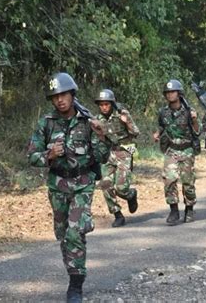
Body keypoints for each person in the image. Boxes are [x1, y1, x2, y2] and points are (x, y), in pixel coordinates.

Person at [27, 72, 110, 302]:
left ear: (72, 94)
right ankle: (73, 271)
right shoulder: (46, 123)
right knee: (64, 234)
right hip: (57, 186)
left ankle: (76, 284)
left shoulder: (88, 121)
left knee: (75, 231)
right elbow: (31, 156)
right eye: (55, 96)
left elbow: (102, 157)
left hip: (83, 184)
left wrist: (102, 136)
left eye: (63, 94)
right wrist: (49, 154)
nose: (59, 100)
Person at [153, 79, 201, 225]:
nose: (170, 95)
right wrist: (157, 133)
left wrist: (194, 120)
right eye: (167, 92)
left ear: (179, 93)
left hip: (187, 150)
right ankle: (174, 210)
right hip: (171, 150)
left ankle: (189, 208)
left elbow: (197, 132)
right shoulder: (163, 112)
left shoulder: (189, 111)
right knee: (169, 180)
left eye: (173, 92)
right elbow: (162, 126)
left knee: (188, 183)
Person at [95, 89, 140, 227]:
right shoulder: (99, 119)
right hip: (109, 153)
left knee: (121, 188)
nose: (104, 107)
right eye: (101, 104)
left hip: (125, 152)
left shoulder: (122, 114)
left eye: (106, 104)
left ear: (112, 104)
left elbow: (136, 132)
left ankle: (130, 194)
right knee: (105, 184)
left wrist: (126, 122)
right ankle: (117, 214)